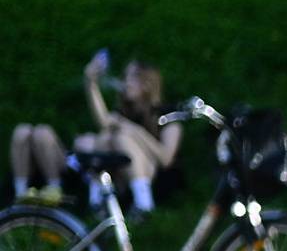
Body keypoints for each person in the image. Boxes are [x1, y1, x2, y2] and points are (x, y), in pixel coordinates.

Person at [13, 54, 181, 212]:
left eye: (133, 77)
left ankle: (143, 203)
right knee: (101, 138)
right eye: (125, 76)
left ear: (147, 84)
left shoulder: (168, 118)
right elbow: (104, 123)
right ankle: (97, 201)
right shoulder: (123, 114)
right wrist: (91, 83)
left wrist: (133, 130)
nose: (126, 82)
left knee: (121, 136)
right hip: (120, 178)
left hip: (150, 179)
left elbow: (166, 159)